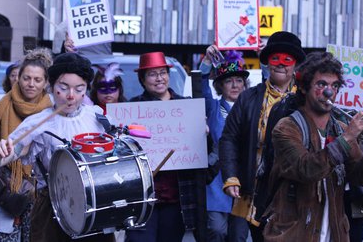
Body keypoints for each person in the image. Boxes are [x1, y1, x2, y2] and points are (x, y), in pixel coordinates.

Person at [0, 52, 115, 242]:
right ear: (51, 87)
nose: (71, 96)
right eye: (64, 88)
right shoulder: (38, 124)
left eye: (79, 89)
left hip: (94, 207)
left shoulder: (98, 119)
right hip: (53, 208)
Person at [262, 51, 363, 241]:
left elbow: (359, 177)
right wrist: (347, 139)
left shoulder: (340, 129)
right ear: (304, 88)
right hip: (294, 234)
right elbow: (305, 169)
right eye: (321, 84)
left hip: (334, 233)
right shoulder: (287, 127)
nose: (329, 92)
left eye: (334, 86)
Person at [219, 31, 306, 242]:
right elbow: (229, 138)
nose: (281, 64)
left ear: (295, 65)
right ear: (267, 62)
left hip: (287, 192)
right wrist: (231, 176)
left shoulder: (304, 101)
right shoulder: (248, 97)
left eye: (287, 59)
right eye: (275, 58)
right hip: (249, 190)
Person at [0, 47, 53, 242]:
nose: (31, 84)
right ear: (18, 78)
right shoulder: (2, 108)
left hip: (41, 194)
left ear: (46, 83)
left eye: (37, 80)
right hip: (6, 193)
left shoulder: (52, 112)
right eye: (26, 78)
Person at [125, 51, 205, 242]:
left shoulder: (186, 107)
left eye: (163, 73)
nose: (159, 78)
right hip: (144, 196)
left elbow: (203, 150)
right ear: (142, 80)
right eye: (152, 74)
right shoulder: (132, 107)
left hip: (177, 196)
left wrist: (203, 132)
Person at [200, 46, 250, 242]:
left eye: (239, 80)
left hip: (244, 179)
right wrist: (206, 62)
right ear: (220, 85)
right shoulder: (213, 107)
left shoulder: (251, 109)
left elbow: (269, 87)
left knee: (238, 236)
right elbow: (201, 85)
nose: (235, 85)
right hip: (217, 180)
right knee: (217, 231)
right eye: (229, 81)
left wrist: (263, 61)